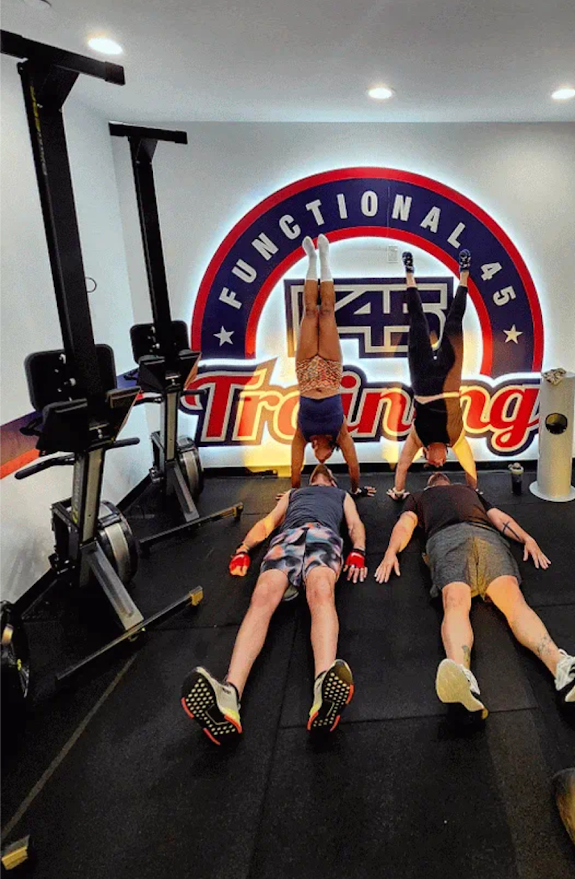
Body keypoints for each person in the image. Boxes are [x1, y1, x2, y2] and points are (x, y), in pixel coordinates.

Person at [375, 473, 575, 716]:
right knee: (461, 600)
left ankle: (563, 670)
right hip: (449, 537)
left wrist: (527, 538)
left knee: (506, 601)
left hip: (482, 535)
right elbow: (406, 524)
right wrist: (391, 552)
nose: (440, 478)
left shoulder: (468, 491)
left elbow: (498, 517)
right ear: (432, 485)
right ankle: (462, 683)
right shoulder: (420, 497)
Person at [181, 464, 368, 743]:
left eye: (324, 475)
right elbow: (267, 524)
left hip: (323, 536)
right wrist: (244, 549)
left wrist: (359, 550)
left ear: (331, 482)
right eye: (315, 475)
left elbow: (354, 524)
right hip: (287, 538)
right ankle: (229, 695)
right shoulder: (294, 494)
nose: (319, 474)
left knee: (321, 590)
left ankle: (324, 689)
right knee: (262, 596)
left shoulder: (341, 495)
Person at [388, 249, 478, 499]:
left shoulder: (418, 438)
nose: (439, 463)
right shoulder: (456, 438)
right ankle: (465, 273)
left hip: (423, 379)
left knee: (417, 322)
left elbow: (403, 466)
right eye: (443, 463)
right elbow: (470, 469)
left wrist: (398, 492)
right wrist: (475, 494)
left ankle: (409, 274)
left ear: (426, 454)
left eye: (432, 463)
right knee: (454, 322)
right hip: (449, 380)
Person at [291, 234, 374, 497]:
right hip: (329, 369)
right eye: (325, 458)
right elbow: (353, 464)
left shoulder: (303, 434)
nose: (319, 457)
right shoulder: (340, 433)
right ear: (331, 449)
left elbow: (295, 468)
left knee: (309, 312)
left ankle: (311, 259)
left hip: (306, 372)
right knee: (326, 311)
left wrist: (294, 493)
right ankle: (324, 258)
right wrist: (356, 489)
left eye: (317, 457)